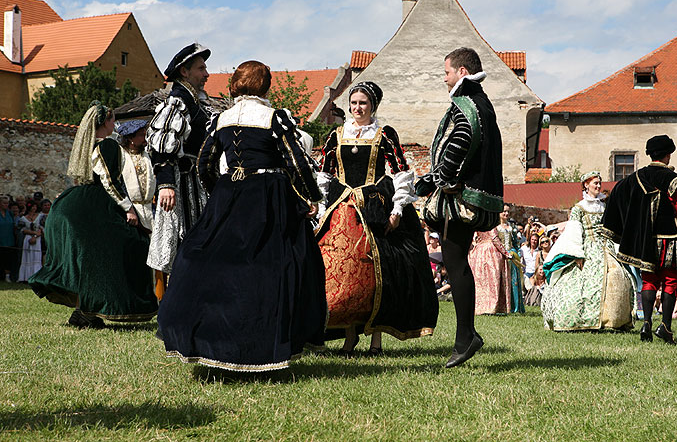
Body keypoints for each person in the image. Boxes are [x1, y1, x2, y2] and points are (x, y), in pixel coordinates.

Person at [157, 61, 327, 372]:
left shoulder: (221, 118)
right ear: (265, 85)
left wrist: (220, 193)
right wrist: (311, 197)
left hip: (229, 194)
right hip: (269, 195)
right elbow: (297, 161)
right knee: (273, 266)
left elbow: (205, 164)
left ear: (235, 84)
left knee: (214, 264)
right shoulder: (273, 118)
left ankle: (211, 340)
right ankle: (265, 344)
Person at [317, 81, 437, 356]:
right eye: (354, 103)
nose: (357, 108)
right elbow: (325, 175)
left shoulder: (384, 134)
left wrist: (396, 211)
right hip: (342, 208)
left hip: (374, 209)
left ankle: (376, 342)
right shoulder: (336, 135)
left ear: (373, 106)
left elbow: (401, 173)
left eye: (363, 103)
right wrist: (323, 209)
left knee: (379, 273)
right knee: (344, 274)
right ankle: (349, 337)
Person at [29, 101, 158, 328]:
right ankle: (99, 308)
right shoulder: (107, 145)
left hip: (77, 202)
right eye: (112, 120)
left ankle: (84, 311)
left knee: (89, 260)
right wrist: (128, 208)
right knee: (128, 249)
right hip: (98, 205)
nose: (114, 123)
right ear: (104, 123)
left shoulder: (89, 145)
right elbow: (110, 180)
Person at [416, 47, 504, 367]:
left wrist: (444, 176)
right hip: (465, 195)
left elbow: (463, 137)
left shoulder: (466, 102)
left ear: (462, 73)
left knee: (454, 262)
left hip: (460, 198)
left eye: (447, 72)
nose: (445, 78)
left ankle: (466, 337)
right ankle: (466, 336)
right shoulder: (481, 101)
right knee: (456, 262)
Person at [602, 135, 677, 344]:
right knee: (671, 281)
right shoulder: (673, 180)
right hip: (671, 240)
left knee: (649, 281)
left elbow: (616, 194)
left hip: (645, 240)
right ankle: (665, 327)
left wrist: (624, 229)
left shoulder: (634, 178)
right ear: (668, 154)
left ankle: (646, 322)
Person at [146, 43, 212, 277]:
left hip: (195, 186)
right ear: (184, 71)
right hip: (180, 187)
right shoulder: (178, 102)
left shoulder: (194, 103)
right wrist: (166, 185)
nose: (206, 74)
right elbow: (162, 145)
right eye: (201, 68)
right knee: (182, 243)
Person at [541, 171, 636, 331]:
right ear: (586, 185)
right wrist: (577, 254)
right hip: (588, 248)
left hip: (607, 247)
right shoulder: (579, 208)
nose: (598, 186)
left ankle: (612, 320)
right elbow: (574, 231)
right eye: (595, 183)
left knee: (617, 278)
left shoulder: (604, 206)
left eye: (599, 183)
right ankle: (583, 320)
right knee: (583, 286)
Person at [469, 204, 524, 315]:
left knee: (482, 281)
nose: (506, 214)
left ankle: (482, 306)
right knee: (493, 281)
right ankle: (493, 306)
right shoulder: (492, 223)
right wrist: (506, 253)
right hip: (492, 252)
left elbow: (474, 237)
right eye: (503, 211)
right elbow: (494, 239)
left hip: (480, 253)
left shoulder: (478, 222)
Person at [117, 119, 156, 233]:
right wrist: (128, 209)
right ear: (130, 138)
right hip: (131, 213)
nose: (145, 138)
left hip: (151, 210)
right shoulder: (121, 157)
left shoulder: (149, 155)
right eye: (141, 135)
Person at [17, 202, 43, 282]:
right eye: (32, 206)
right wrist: (33, 233)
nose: (34, 208)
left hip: (37, 239)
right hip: (28, 239)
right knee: (27, 257)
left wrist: (35, 236)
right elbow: (22, 230)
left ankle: (36, 276)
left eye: (35, 206)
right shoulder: (23, 218)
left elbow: (42, 229)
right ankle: (25, 277)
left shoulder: (40, 217)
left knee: (36, 257)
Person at [0, 196, 16, 281]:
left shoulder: (9, 213)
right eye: (4, 203)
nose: (6, 205)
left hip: (9, 239)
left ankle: (7, 276)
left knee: (8, 259)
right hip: (0, 239)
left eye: (7, 203)